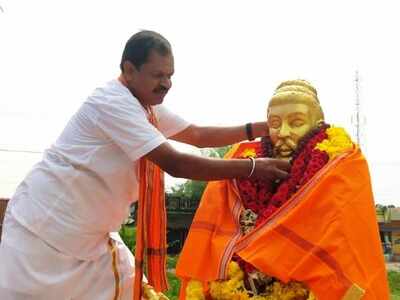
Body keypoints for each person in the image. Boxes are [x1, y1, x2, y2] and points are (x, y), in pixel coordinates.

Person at [0, 30, 290, 300]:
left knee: (133, 289)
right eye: (158, 75)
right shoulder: (113, 102)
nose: (166, 83)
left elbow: (198, 136)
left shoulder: (146, 107)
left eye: (170, 75)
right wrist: (253, 167)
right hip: (43, 232)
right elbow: (175, 163)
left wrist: (262, 128)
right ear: (129, 70)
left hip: (88, 241)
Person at [176, 80, 390, 300]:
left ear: (317, 125)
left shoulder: (339, 165)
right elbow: (214, 236)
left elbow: (344, 247)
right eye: (274, 123)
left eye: (296, 122)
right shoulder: (242, 163)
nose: (283, 133)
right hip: (236, 285)